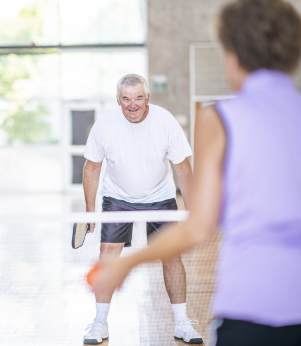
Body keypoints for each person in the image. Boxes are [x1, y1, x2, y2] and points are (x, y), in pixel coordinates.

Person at [91, 0, 301, 345]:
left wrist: (128, 264)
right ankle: (101, 322)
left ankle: (181, 320)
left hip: (249, 304)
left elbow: (199, 225)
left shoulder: (219, 118)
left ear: (232, 54)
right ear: (296, 51)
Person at [82, 73, 203, 344]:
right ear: (118, 100)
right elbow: (92, 168)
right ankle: (100, 323)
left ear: (147, 98)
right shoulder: (105, 126)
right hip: (118, 198)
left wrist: (195, 211)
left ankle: (182, 323)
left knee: (172, 256)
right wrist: (90, 211)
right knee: (108, 252)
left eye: (138, 98)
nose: (132, 104)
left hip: (160, 197)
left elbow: (182, 168)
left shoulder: (165, 122)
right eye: (126, 99)